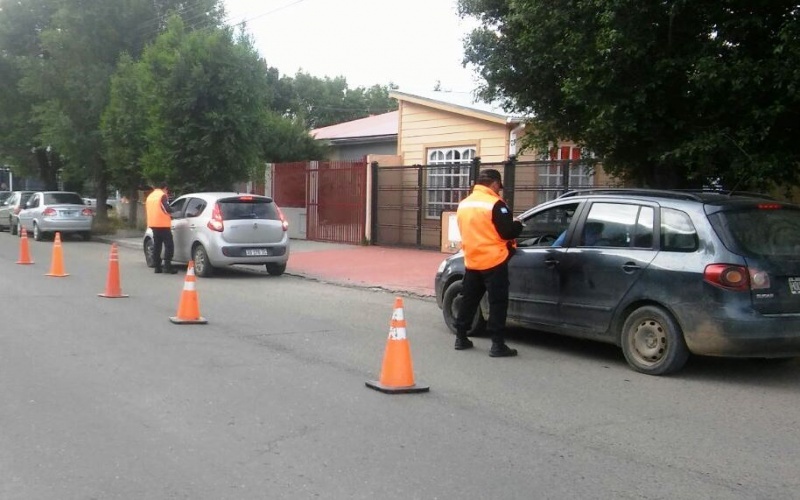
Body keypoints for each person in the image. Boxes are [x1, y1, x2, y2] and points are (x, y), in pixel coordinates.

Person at [454, 169, 524, 357]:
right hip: (494, 259)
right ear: (494, 184)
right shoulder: (495, 204)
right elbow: (507, 233)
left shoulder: (464, 204)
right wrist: (518, 224)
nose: (499, 191)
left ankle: (461, 337)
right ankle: (497, 344)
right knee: (497, 302)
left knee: (469, 299)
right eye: (498, 187)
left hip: (472, 259)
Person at [145, 181, 177, 274]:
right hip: (163, 224)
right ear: (165, 188)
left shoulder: (150, 196)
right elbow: (165, 208)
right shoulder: (162, 195)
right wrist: (173, 210)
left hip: (153, 224)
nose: (167, 193)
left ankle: (157, 267)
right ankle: (167, 266)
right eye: (167, 191)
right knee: (169, 245)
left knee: (157, 245)